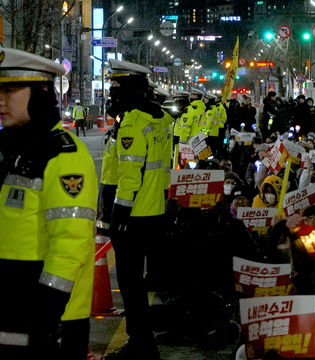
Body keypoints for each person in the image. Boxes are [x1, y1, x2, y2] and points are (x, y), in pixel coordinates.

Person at [0, 48, 98, 360]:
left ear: (41, 94)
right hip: (12, 300)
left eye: (10, 90)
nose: (1, 100)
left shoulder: (62, 155)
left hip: (51, 312)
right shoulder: (13, 148)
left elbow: (71, 241)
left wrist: (48, 306)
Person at [105, 60, 173, 359]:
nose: (111, 91)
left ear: (131, 88)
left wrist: (118, 214)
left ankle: (141, 345)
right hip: (154, 210)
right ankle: (145, 342)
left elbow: (130, 174)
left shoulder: (133, 122)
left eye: (117, 87)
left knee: (130, 285)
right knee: (138, 283)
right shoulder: (161, 119)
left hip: (132, 216)